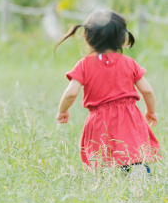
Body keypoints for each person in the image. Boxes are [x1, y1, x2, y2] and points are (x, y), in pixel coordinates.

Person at [55, 9, 160, 172]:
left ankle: (101, 185)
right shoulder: (129, 63)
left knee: (101, 160)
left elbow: (70, 93)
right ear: (123, 38)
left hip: (99, 122)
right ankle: (139, 181)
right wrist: (151, 111)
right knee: (134, 155)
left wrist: (62, 111)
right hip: (129, 118)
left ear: (88, 38)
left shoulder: (84, 64)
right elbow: (147, 91)